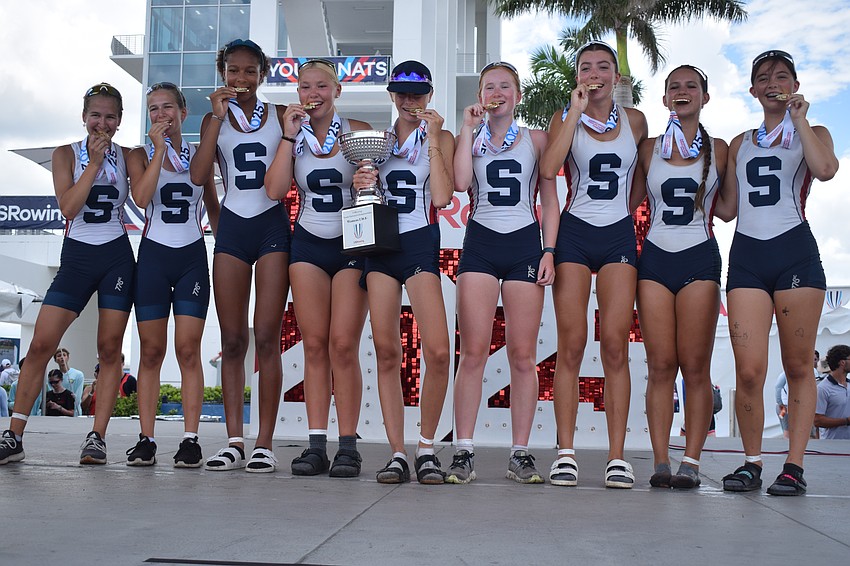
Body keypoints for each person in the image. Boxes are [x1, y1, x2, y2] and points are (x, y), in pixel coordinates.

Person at [721, 50, 838, 496]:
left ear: (794, 83)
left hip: (795, 255)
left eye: (782, 76)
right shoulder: (740, 142)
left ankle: (793, 465)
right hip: (748, 257)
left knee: (797, 365)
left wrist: (800, 118)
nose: (773, 82)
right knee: (749, 370)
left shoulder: (814, 130)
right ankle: (752, 463)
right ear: (752, 90)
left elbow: (826, 170)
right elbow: (729, 208)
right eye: (764, 77)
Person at [0, 83, 134, 466]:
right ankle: (14, 435)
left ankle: (97, 437)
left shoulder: (128, 156)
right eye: (95, 115)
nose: (102, 123)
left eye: (110, 116)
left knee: (110, 349)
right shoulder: (65, 154)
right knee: (41, 344)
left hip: (116, 257)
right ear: (84, 117)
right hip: (76, 257)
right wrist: (93, 162)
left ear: (120, 121)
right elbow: (69, 207)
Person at [539, 41, 648, 488]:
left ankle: (616, 456)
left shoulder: (636, 120)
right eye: (586, 67)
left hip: (618, 233)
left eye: (604, 66)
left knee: (615, 348)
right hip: (576, 234)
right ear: (578, 77)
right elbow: (548, 168)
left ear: (617, 77)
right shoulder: (564, 118)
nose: (595, 72)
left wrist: (621, 213)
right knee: (572, 344)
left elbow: (640, 182)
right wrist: (573, 110)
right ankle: (566, 451)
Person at [447, 61, 558, 485]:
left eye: (505, 86)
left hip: (524, 244)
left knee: (522, 355)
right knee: (473, 352)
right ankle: (464, 450)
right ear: (479, 95)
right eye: (489, 86)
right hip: (481, 241)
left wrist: (550, 251)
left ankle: (521, 453)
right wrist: (465, 129)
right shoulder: (471, 138)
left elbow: (549, 200)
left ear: (518, 94)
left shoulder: (536, 139)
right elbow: (459, 183)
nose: (497, 92)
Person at [265, 58, 370, 478]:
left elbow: (376, 178)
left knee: (342, 345)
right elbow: (274, 190)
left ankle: (349, 445)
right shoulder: (292, 136)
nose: (314, 94)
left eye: (322, 86)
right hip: (307, 241)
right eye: (306, 87)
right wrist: (289, 139)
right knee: (313, 345)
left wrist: (368, 179)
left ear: (337, 91)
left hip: (352, 242)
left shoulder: (358, 132)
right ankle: (315, 445)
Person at [352, 61, 455, 484]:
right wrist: (360, 182)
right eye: (401, 94)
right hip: (380, 244)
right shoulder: (375, 141)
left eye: (417, 94)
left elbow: (445, 196)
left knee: (438, 351)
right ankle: (397, 451)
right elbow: (360, 191)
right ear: (392, 96)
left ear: (429, 95)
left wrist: (432, 139)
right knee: (387, 351)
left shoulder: (441, 136)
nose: (409, 101)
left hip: (418, 242)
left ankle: (426, 447)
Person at [189, 39, 289, 473]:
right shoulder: (215, 118)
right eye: (233, 70)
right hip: (231, 227)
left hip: (271, 227)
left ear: (263, 73)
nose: (241, 79)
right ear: (223, 72)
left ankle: (264, 442)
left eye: (250, 71)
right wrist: (213, 116)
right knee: (232, 340)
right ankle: (234, 440)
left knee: (267, 336)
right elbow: (198, 174)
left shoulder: (282, 114)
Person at [631, 65, 732, 489]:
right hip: (654, 259)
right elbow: (631, 198)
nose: (682, 91)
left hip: (699, 258)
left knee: (695, 366)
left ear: (705, 97)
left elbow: (727, 210)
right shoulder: (649, 146)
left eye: (692, 85)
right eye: (674, 86)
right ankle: (659, 461)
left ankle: (691, 459)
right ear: (664, 98)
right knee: (659, 366)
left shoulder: (720, 147)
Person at [125, 81, 220, 468]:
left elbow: (211, 201)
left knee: (187, 349)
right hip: (153, 256)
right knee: (150, 351)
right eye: (153, 109)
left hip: (192, 256)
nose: (161, 115)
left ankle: (191, 439)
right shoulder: (138, 154)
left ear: (183, 112)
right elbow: (141, 198)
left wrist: (229, 249)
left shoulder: (200, 154)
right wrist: (160, 149)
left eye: (167, 107)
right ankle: (146, 438)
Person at [774, 349, 821, 439]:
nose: (813, 362)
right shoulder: (788, 372)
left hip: (802, 406)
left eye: (815, 359)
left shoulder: (815, 372)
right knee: (788, 431)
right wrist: (781, 404)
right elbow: (778, 387)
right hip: (786, 405)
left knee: (807, 431)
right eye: (810, 359)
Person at [814, 345, 850, 439]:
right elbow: (817, 420)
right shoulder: (823, 388)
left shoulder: (849, 384)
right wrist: (846, 421)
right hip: (832, 444)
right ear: (842, 362)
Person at [53, 347, 85, 416]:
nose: (62, 357)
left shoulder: (78, 374)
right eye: (59, 356)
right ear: (55, 360)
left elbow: (78, 396)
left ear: (68, 357)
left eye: (64, 355)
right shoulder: (53, 377)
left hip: (74, 412)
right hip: (58, 412)